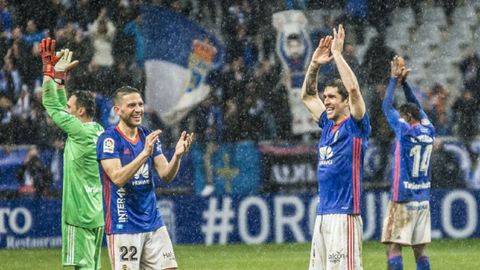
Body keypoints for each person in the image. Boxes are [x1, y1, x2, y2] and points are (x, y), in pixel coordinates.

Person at [96, 86, 193, 270]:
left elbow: (165, 174)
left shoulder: (147, 136)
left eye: (140, 104)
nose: (138, 109)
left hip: (153, 222)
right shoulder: (108, 139)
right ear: (118, 110)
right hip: (123, 225)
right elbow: (117, 178)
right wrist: (143, 154)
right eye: (131, 105)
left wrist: (177, 156)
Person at [301, 25, 370, 270]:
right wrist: (315, 64)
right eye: (326, 96)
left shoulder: (356, 126)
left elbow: (353, 89)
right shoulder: (327, 126)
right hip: (323, 215)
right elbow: (308, 97)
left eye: (331, 97)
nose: (326, 101)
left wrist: (338, 56)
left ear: (345, 103)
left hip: (345, 215)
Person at [40, 38, 105, 269]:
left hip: (78, 215)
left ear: (81, 111)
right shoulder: (96, 130)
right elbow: (59, 105)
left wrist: (48, 71)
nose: (67, 110)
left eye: (71, 107)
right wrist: (59, 81)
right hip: (95, 212)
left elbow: (49, 103)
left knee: (83, 268)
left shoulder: (79, 131)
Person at [381, 56, 435, 270]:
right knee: (420, 249)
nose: (400, 119)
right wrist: (406, 85)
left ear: (408, 118)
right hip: (422, 199)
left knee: (394, 248)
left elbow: (386, 106)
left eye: (403, 116)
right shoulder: (429, 130)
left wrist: (394, 79)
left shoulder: (404, 131)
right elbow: (419, 109)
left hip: (403, 198)